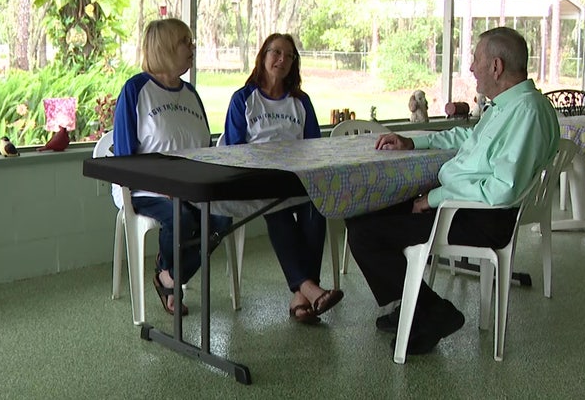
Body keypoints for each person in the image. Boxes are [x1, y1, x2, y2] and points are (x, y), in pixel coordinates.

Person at [345, 27, 559, 355]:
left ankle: (432, 312)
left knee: (364, 231)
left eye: (476, 59)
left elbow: (501, 190)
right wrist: (411, 142)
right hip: (461, 205)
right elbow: (465, 139)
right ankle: (415, 309)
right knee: (362, 213)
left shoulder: (527, 112)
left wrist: (433, 199)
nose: (472, 68)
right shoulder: (507, 106)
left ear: (496, 67)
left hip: (479, 218)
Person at [113, 18, 230, 316]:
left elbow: (205, 146)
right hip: (144, 188)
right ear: (163, 48)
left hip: (190, 185)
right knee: (181, 218)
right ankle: (169, 280)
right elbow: (125, 155)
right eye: (184, 42)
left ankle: (169, 275)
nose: (192, 48)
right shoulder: (135, 90)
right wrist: (160, 185)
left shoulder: (191, 93)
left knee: (222, 220)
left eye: (191, 42)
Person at [224, 33, 343, 324]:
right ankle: (309, 290)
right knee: (276, 210)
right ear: (263, 56)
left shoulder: (300, 102)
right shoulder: (243, 99)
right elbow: (234, 151)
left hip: (298, 181)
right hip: (257, 183)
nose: (282, 60)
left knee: (317, 208)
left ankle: (304, 297)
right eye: (276, 52)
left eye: (289, 56)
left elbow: (314, 147)